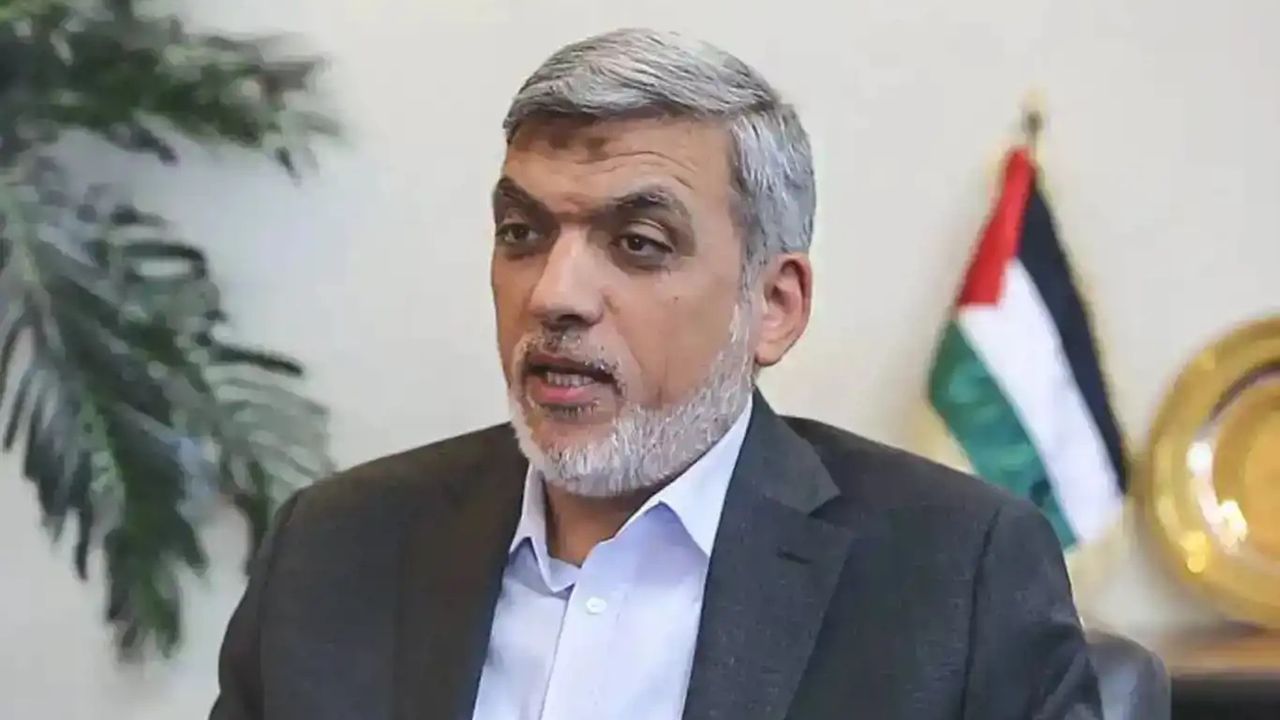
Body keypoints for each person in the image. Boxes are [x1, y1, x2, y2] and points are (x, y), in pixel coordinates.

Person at [210, 28, 1101, 720]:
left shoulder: (954, 574)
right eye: (522, 234)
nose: (555, 295)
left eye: (638, 244)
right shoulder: (337, 548)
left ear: (773, 305)